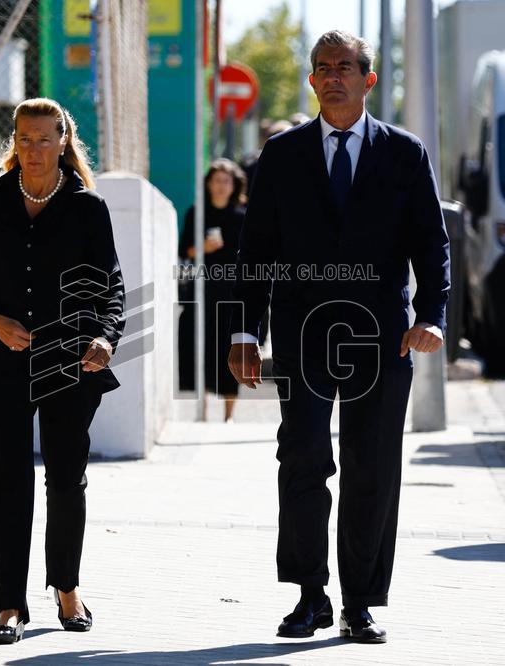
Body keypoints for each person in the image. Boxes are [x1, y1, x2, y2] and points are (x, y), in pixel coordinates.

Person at [228, 30, 449, 644]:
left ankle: (359, 601)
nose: (333, 77)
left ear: (368, 79)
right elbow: (257, 251)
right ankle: (309, 595)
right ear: (312, 80)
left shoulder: (404, 154)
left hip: (380, 335)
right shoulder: (282, 154)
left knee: (370, 465)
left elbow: (431, 242)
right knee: (302, 458)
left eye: (345, 67)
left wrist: (430, 315)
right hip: (302, 332)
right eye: (323, 68)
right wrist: (246, 330)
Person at [0, 98, 125, 644]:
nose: (33, 148)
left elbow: (112, 288)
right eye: (24, 138)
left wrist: (106, 336)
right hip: (1, 361)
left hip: (70, 362)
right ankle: (9, 606)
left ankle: (66, 591)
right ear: (14, 142)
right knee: (9, 480)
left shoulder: (87, 208)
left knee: (66, 479)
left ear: (63, 142)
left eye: (45, 138)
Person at [178, 159, 246, 421]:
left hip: (231, 293)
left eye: (226, 181)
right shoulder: (197, 213)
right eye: (216, 180)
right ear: (208, 184)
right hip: (202, 290)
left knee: (231, 349)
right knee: (200, 347)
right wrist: (203, 248)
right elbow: (185, 251)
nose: (220, 186)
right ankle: (202, 413)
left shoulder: (242, 217)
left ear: (234, 185)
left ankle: (228, 416)